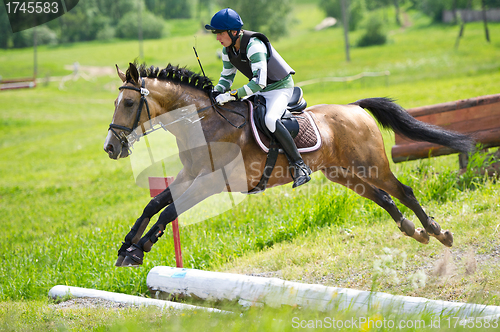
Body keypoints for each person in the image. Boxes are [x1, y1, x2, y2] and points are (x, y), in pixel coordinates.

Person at [205, 8, 312, 188]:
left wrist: (231, 95)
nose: (217, 38)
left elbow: (258, 84)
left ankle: (300, 166)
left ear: (233, 31)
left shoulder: (254, 45)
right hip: (261, 89)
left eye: (220, 33)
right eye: (216, 34)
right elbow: (226, 78)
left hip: (280, 88)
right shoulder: (227, 50)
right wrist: (215, 93)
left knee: (270, 119)